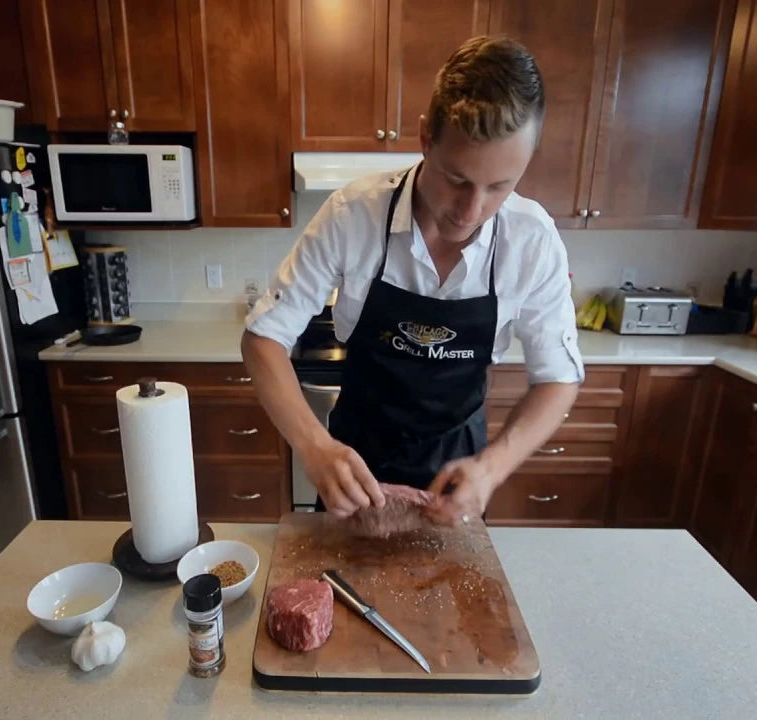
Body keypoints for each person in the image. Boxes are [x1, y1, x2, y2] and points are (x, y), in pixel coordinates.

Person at [241, 36, 583, 526]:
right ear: (425, 138)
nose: (472, 211)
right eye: (458, 179)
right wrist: (314, 447)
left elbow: (559, 377)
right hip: (354, 470)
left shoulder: (531, 240)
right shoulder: (353, 215)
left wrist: (493, 468)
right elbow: (263, 339)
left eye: (500, 187)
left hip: (457, 477)